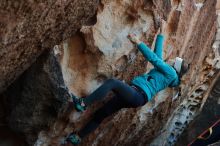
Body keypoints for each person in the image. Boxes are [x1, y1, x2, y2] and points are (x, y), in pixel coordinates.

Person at [65, 23, 189, 145]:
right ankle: (77, 138)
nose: (172, 59)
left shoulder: (171, 73)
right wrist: (161, 35)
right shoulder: (168, 73)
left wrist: (138, 42)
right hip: (136, 97)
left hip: (137, 94)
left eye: (175, 60)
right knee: (101, 113)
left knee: (113, 83)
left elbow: (154, 59)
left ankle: (82, 104)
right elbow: (158, 56)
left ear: (175, 66)